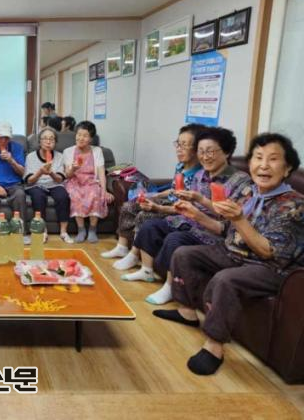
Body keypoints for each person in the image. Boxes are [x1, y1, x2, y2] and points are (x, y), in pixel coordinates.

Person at [154, 133, 304, 376]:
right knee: (184, 254)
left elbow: (269, 252)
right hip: (234, 253)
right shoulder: (249, 193)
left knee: (225, 279)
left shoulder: (295, 205)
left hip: (271, 268)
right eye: (258, 157)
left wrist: (239, 219)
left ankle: (214, 346)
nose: (264, 165)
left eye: (273, 159)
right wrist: (196, 215)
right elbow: (224, 228)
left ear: (287, 168)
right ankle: (186, 312)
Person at [121, 127, 252, 306]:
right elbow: (185, 204)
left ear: (227, 152)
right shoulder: (200, 175)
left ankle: (170, 287)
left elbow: (228, 220)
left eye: (210, 151)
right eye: (201, 152)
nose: (205, 157)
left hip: (211, 230)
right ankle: (146, 270)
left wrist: (198, 206)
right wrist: (164, 207)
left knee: (175, 239)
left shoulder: (239, 180)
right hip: (188, 220)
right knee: (150, 225)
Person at [104, 124, 204, 268]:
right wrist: (155, 195)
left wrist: (157, 207)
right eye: (178, 144)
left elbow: (187, 207)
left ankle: (134, 254)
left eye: (184, 145)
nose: (178, 149)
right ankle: (122, 246)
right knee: (129, 206)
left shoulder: (199, 175)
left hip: (179, 209)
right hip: (169, 201)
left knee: (144, 215)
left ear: (197, 149)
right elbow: (174, 189)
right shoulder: (180, 166)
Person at [63, 120, 114, 243]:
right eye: (79, 134)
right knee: (75, 195)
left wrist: (104, 190)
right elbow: (67, 175)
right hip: (74, 181)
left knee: (95, 194)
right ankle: (81, 230)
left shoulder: (97, 151)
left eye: (85, 136)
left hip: (91, 181)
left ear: (91, 139)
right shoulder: (68, 152)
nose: (81, 138)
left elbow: (101, 173)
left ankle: (92, 229)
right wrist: (73, 168)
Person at [0, 121, 30, 244]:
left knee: (20, 194)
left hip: (14, 184)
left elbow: (22, 172)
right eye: (0, 137)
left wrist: (11, 160)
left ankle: (21, 233)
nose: (3, 141)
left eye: (6, 138)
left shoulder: (17, 148)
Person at [24, 126, 72, 243]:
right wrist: (40, 172)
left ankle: (63, 232)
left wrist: (51, 173)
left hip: (54, 184)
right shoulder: (30, 157)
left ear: (55, 142)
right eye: (45, 138)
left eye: (51, 139)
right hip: (36, 184)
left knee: (63, 196)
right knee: (38, 196)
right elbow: (29, 180)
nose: (48, 141)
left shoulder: (60, 156)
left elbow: (60, 179)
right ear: (39, 141)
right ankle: (43, 231)